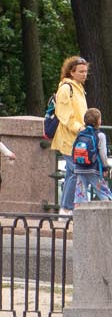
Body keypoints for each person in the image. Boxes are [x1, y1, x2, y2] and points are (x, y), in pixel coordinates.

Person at [52, 56, 89, 211]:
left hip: (78, 138)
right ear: (71, 72)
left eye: (86, 71)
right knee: (75, 171)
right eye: (80, 71)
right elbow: (64, 113)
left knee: (71, 173)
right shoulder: (66, 88)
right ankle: (67, 208)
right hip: (69, 138)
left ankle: (65, 209)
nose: (84, 74)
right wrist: (78, 127)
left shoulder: (79, 88)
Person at [72, 107, 112, 204]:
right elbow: (103, 154)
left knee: (80, 193)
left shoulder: (80, 134)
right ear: (98, 121)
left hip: (79, 168)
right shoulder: (100, 136)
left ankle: (80, 214)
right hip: (93, 169)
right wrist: (105, 167)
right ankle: (108, 210)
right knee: (103, 191)